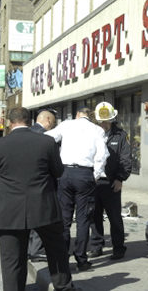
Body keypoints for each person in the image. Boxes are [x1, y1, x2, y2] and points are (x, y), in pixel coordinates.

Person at [0, 107, 75, 291]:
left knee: (12, 260)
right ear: (30, 121)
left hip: (8, 210)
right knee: (56, 250)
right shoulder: (47, 142)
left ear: (9, 122)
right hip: (43, 206)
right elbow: (58, 172)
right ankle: (64, 287)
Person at [45, 107, 109, 271]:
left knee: (65, 219)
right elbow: (102, 155)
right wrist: (95, 175)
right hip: (84, 174)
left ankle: (63, 257)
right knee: (83, 219)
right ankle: (81, 258)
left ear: (77, 115)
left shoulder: (67, 124)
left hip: (65, 173)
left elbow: (48, 138)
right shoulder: (97, 130)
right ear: (89, 116)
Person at [88, 102, 132, 260]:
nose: (104, 124)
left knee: (114, 217)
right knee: (94, 216)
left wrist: (121, 178)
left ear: (112, 120)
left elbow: (125, 159)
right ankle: (96, 246)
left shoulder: (120, 136)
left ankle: (119, 248)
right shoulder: (92, 134)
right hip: (94, 181)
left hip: (112, 182)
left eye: (106, 121)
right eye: (101, 121)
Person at [27, 109, 57, 263]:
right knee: (40, 219)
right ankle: (36, 250)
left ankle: (29, 249)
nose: (53, 126)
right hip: (42, 184)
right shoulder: (47, 137)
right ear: (48, 120)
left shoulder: (27, 133)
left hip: (25, 185)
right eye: (52, 122)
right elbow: (55, 166)